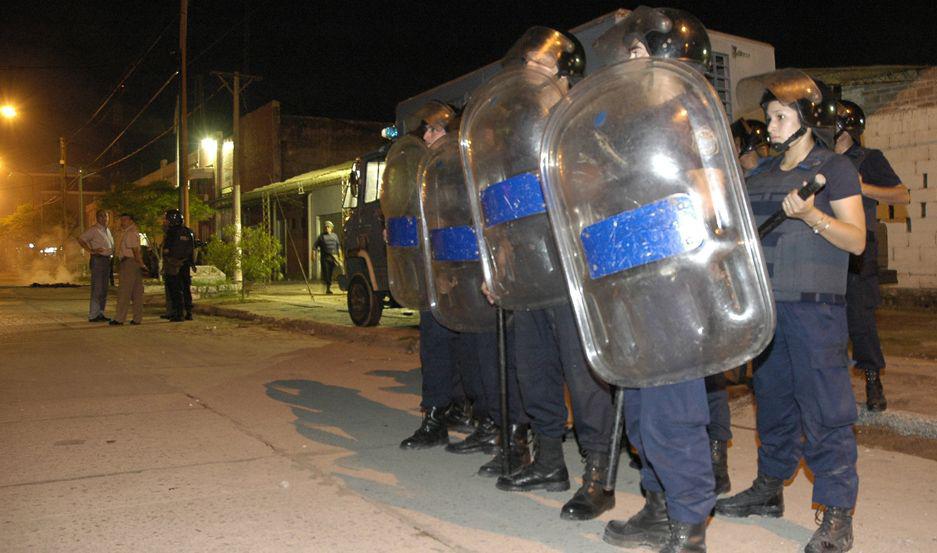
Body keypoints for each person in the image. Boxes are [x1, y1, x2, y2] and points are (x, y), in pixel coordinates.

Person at [464, 27, 615, 521]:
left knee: (585, 375)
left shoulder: (585, 123)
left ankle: (599, 474)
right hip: (527, 271)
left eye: (540, 65)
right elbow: (502, 212)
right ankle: (550, 460)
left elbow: (605, 186)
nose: (529, 75)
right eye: (525, 65)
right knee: (534, 369)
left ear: (565, 74)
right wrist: (498, 265)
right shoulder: (513, 136)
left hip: (572, 270)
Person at [714, 70, 866, 553]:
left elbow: (856, 240)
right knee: (773, 404)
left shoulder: (834, 170)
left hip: (815, 311)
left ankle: (837, 512)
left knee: (825, 410)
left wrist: (811, 215)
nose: (771, 126)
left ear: (807, 120)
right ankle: (769, 489)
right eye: (770, 117)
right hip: (767, 310)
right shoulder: (760, 174)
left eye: (780, 116)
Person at [590, 8, 718, 551]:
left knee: (673, 411)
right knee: (642, 408)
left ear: (663, 53)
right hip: (634, 275)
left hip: (674, 279)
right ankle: (660, 507)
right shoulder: (634, 120)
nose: (628, 60)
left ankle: (688, 525)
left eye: (637, 51)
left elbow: (710, 202)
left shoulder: (686, 116)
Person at [398, 101, 479, 450]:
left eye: (434, 129)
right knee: (438, 345)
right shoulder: (426, 170)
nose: (427, 135)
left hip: (459, 271)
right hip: (434, 270)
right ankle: (439, 411)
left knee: (458, 346)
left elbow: (460, 220)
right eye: (426, 129)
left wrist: (453, 274)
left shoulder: (458, 170)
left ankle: (449, 413)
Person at [835, 100, 908, 412]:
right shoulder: (819, 159)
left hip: (859, 252)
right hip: (826, 248)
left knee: (860, 319)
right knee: (826, 320)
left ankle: (871, 378)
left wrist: (861, 187)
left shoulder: (868, 158)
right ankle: (832, 386)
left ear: (849, 129)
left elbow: (902, 194)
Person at [77, 210, 114, 322]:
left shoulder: (107, 230)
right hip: (98, 260)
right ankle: (93, 315)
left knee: (104, 288)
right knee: (97, 288)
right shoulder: (94, 230)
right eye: (102, 216)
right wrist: (91, 250)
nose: (104, 218)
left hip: (107, 261)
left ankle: (100, 313)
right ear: (97, 218)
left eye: (106, 216)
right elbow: (81, 239)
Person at [109, 213, 146, 326]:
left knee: (124, 292)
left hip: (129, 263)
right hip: (133, 263)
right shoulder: (130, 232)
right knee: (136, 292)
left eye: (125, 219)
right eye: (122, 219)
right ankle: (137, 318)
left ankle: (120, 318)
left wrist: (141, 263)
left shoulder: (130, 233)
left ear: (131, 221)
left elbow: (135, 250)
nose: (122, 222)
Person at [162, 209, 196, 322]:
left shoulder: (171, 232)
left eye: (166, 219)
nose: (165, 221)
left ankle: (178, 314)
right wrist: (192, 263)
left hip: (173, 265)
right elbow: (192, 248)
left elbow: (166, 250)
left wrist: (168, 259)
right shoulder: (188, 231)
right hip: (185, 263)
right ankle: (189, 312)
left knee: (175, 289)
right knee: (186, 288)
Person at [313, 221, 341, 294]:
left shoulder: (335, 236)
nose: (327, 228)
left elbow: (338, 246)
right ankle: (328, 288)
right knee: (326, 272)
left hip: (333, 258)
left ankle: (328, 284)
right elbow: (314, 246)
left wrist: (340, 256)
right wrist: (313, 255)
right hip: (325, 258)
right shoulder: (321, 237)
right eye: (325, 227)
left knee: (331, 272)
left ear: (331, 228)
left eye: (328, 227)